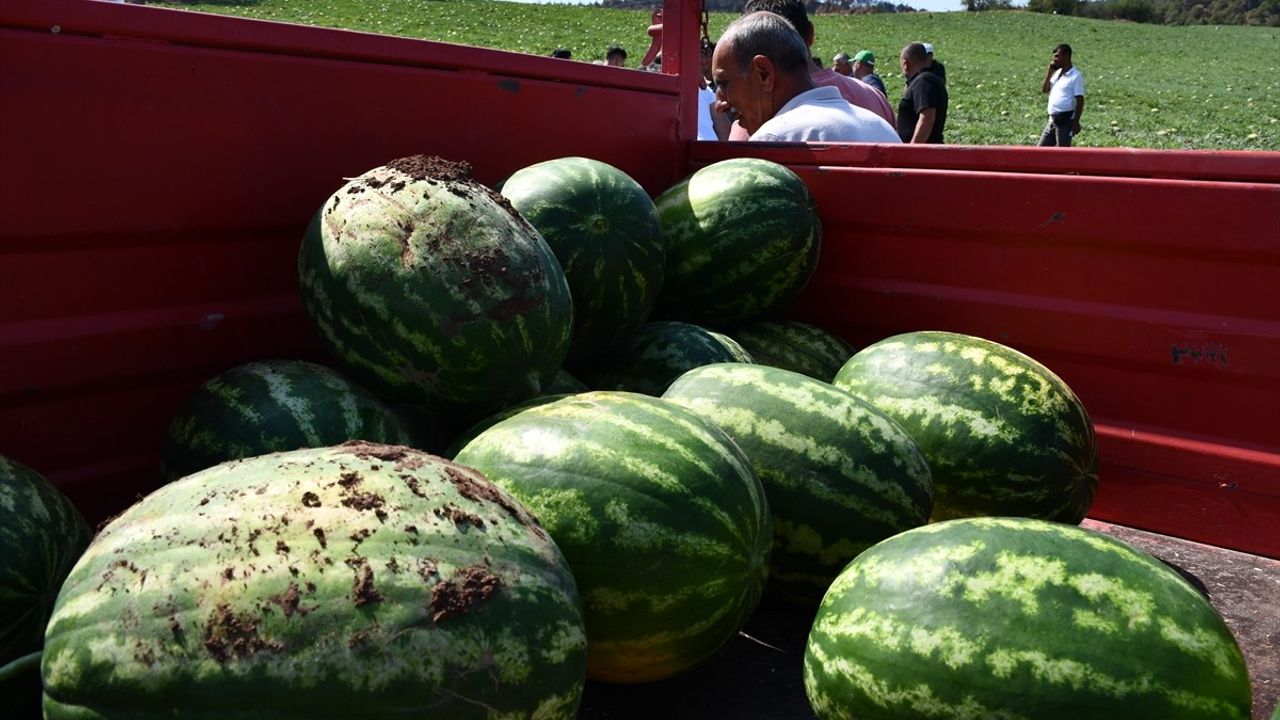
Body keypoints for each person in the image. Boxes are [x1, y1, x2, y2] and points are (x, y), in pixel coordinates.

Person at [711, 12, 901, 144]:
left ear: (764, 73)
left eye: (724, 84)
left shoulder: (772, 141)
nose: (720, 104)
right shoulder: (882, 129)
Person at [897, 42, 948, 144]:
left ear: (905, 64)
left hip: (922, 154)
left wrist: (913, 149)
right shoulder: (928, 80)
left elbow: (927, 118)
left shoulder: (923, 81)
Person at [1038, 43, 1085, 147]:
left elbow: (1080, 100)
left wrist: (1076, 122)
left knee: (1062, 153)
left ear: (1066, 56)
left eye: (1057, 56)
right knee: (1040, 151)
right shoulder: (1057, 73)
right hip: (1052, 120)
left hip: (1065, 122)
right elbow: (1045, 90)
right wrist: (1049, 73)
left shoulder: (1075, 76)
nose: (1054, 59)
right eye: (1054, 56)